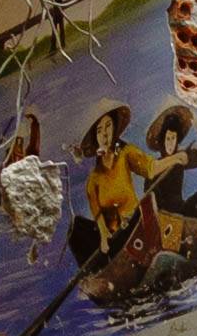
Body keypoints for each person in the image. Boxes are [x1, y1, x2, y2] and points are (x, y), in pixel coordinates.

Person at [69, 98, 188, 265]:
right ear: (95, 137)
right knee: (77, 228)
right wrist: (104, 237)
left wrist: (175, 158)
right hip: (114, 237)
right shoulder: (93, 180)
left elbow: (150, 168)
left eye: (108, 126)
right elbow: (97, 215)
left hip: (135, 226)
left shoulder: (126, 154)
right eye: (99, 130)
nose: (104, 134)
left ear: (115, 128)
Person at [144, 104, 197, 219]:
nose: (171, 143)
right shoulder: (157, 165)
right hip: (160, 215)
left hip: (178, 211)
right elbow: (148, 195)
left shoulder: (181, 157)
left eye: (173, 138)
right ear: (162, 140)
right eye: (168, 139)